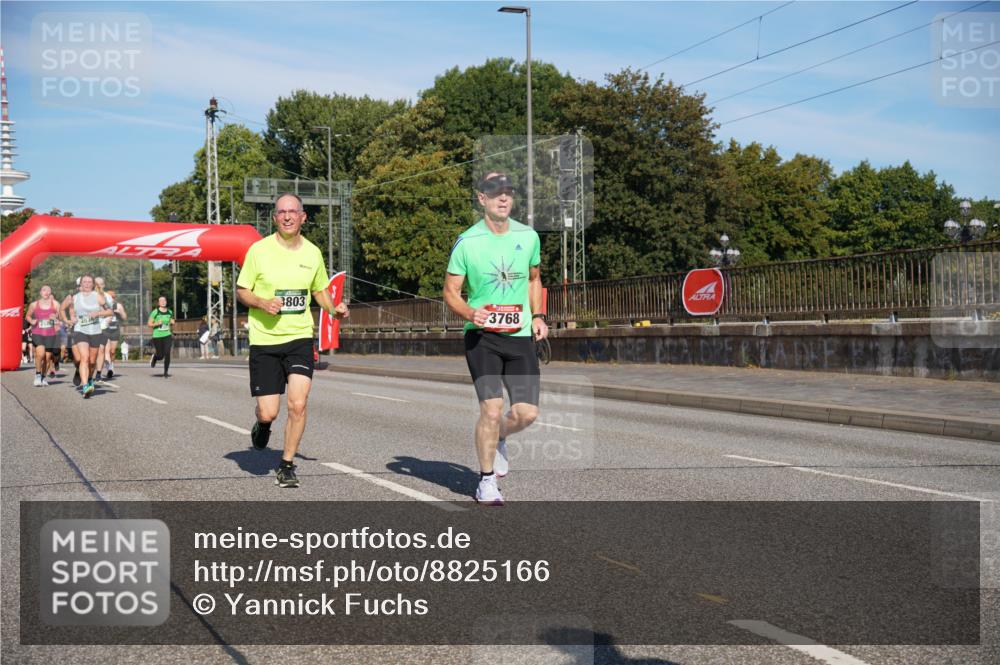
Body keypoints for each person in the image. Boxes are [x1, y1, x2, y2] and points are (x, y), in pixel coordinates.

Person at [443, 172, 548, 506]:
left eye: (508, 192)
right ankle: (486, 481)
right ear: (481, 198)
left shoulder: (528, 236)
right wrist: (470, 313)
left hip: (519, 337)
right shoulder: (467, 242)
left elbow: (534, 279)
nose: (503, 198)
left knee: (527, 414)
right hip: (482, 338)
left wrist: (539, 316)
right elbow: (451, 292)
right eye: (495, 192)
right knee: (491, 410)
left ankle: (500, 435)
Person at [236, 193, 348, 488]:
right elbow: (242, 290)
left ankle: (286, 464)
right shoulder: (258, 251)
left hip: (299, 336)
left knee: (298, 404)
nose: (287, 216)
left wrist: (332, 307)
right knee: (269, 410)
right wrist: (261, 302)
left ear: (303, 217)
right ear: (275, 218)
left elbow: (319, 290)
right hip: (265, 340)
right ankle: (262, 425)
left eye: (292, 212)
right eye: (281, 212)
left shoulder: (312, 253)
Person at [61, 274, 112, 397]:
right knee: (85, 358)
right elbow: (62, 309)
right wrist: (67, 321)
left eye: (90, 282)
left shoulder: (98, 297)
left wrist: (98, 313)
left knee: (92, 361)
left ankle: (89, 379)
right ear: (81, 284)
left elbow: (110, 311)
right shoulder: (73, 298)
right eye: (85, 282)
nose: (87, 284)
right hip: (80, 330)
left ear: (93, 284)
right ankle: (85, 386)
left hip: (95, 331)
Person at [25, 285, 59, 386]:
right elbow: (27, 316)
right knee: (40, 354)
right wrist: (32, 320)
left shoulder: (56, 304)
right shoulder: (34, 304)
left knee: (48, 357)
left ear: (51, 293)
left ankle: (43, 377)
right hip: (37, 332)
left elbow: (60, 315)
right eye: (44, 290)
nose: (46, 292)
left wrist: (56, 317)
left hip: (50, 334)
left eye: (48, 290)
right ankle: (38, 375)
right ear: (40, 292)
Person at [102, 288, 127, 378]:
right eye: (109, 296)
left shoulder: (118, 305)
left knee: (112, 351)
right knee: (106, 350)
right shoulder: (102, 305)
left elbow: (124, 317)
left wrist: (119, 313)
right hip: (105, 329)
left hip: (115, 329)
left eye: (113, 297)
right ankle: (109, 369)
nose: (111, 298)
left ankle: (111, 365)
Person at [147, 297, 174, 377]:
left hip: (167, 335)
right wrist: (157, 324)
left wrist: (172, 322)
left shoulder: (170, 312)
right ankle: (155, 357)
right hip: (157, 335)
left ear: (166, 302)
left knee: (167, 353)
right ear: (158, 303)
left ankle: (165, 372)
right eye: (161, 301)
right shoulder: (155, 312)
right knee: (160, 356)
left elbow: (171, 320)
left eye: (164, 300)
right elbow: (149, 324)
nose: (163, 302)